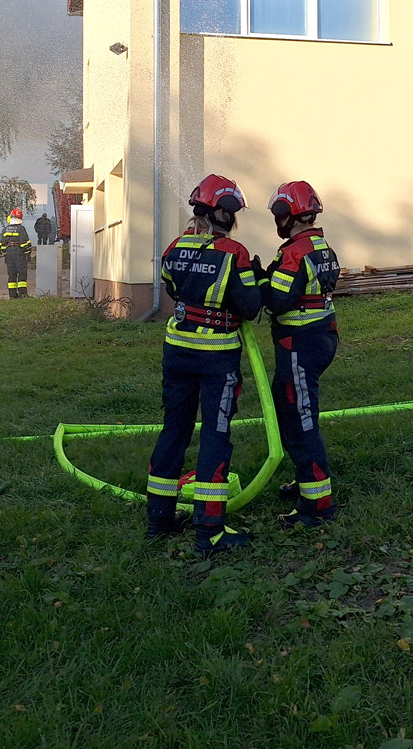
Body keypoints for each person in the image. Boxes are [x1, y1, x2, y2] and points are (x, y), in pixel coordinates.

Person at [146, 174, 262, 554]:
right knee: (215, 435)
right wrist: (255, 282)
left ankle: (159, 521)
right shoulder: (234, 253)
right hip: (217, 358)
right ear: (224, 213)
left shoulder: (175, 247)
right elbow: (249, 308)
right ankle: (209, 532)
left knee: (174, 431)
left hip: (176, 350)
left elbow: (172, 288)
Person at [259, 181, 341, 528]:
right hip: (320, 337)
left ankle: (318, 503)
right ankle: (306, 480)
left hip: (299, 344)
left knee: (300, 417)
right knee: (292, 409)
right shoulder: (320, 246)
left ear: (286, 216)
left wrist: (259, 279)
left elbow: (278, 299)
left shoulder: (294, 253)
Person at [0, 208, 34, 298]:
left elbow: (1, 243)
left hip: (9, 254)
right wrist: (28, 253)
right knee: (21, 273)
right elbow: (25, 243)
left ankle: (12, 295)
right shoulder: (21, 229)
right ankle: (23, 294)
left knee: (11, 274)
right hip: (19, 253)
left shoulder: (6, 229)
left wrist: (2, 252)